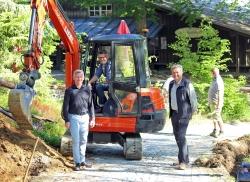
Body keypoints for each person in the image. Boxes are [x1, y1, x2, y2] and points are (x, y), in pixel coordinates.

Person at [62, 69, 95, 171]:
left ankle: (82, 161)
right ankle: (77, 163)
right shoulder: (69, 90)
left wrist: (92, 118)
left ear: (83, 78)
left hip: (85, 117)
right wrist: (66, 120)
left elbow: (91, 105)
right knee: (76, 141)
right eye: (77, 77)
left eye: (80, 77)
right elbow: (65, 107)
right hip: (73, 118)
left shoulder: (87, 90)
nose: (79, 79)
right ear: (73, 78)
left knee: (84, 140)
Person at [169, 64, 197, 170]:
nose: (175, 74)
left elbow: (193, 100)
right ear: (171, 73)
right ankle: (181, 160)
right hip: (174, 114)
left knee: (181, 137)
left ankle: (184, 162)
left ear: (181, 72)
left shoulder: (187, 84)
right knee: (177, 137)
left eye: (177, 72)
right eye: (174, 72)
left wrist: (191, 113)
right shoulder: (171, 84)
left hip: (184, 115)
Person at [208, 67, 224, 138]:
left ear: (213, 73)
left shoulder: (218, 81)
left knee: (217, 117)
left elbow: (220, 93)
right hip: (212, 102)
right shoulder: (214, 80)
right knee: (213, 117)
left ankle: (222, 131)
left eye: (212, 73)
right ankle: (215, 131)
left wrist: (219, 104)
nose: (212, 74)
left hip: (216, 102)